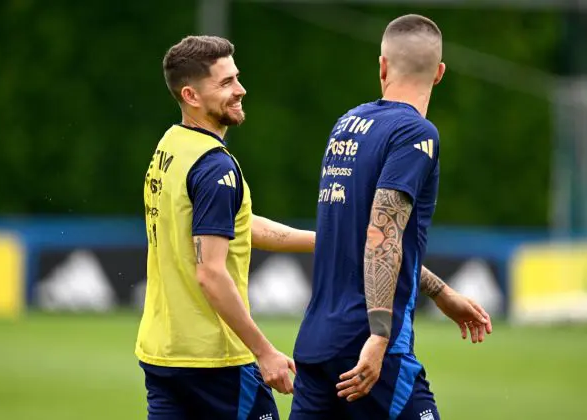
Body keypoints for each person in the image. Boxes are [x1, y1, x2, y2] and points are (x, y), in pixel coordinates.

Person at [290, 14, 493, 420]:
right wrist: (380, 336)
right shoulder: (417, 133)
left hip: (316, 342)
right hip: (368, 347)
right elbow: (382, 235)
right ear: (439, 74)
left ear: (381, 66)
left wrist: (440, 292)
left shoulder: (346, 125)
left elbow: (365, 238)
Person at [135, 35, 315, 420]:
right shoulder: (215, 167)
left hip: (162, 353)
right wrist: (265, 352)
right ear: (191, 95)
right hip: (214, 360)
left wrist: (325, 241)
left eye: (237, 77)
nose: (240, 90)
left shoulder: (170, 147)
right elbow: (211, 274)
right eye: (226, 83)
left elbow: (238, 225)